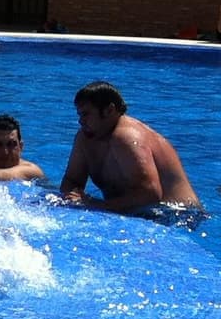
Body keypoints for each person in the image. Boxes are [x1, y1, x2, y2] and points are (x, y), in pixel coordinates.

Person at [59, 81, 202, 220]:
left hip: (178, 215)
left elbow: (150, 194)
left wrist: (96, 205)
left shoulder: (127, 137)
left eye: (86, 114)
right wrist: (71, 197)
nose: (81, 121)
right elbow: (72, 180)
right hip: (144, 214)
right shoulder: (86, 137)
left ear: (109, 110)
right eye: (79, 115)